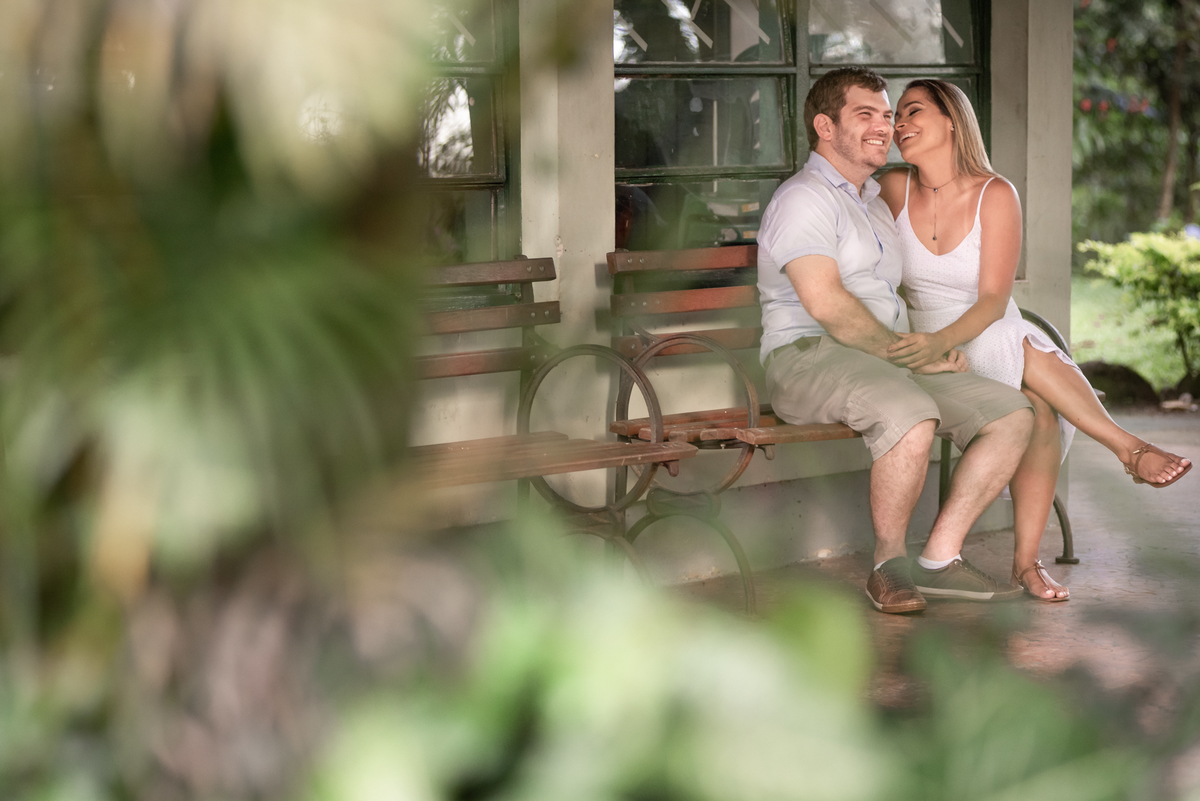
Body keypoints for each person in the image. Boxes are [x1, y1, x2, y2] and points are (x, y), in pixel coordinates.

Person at [878, 78, 1193, 602]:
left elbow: (992, 300)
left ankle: (1028, 562)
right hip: (930, 343)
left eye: (912, 112)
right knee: (1034, 380)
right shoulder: (892, 187)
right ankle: (1124, 447)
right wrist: (925, 345)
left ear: (952, 119)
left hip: (982, 327)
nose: (898, 126)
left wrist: (941, 342)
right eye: (896, 118)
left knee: (1036, 397)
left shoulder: (995, 194)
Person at [757, 66, 1034, 615]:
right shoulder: (803, 198)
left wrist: (926, 349)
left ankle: (939, 560)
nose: (886, 125)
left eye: (888, 115)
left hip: (884, 360)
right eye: (867, 114)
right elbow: (828, 306)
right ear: (825, 126)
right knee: (911, 411)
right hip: (807, 359)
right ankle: (889, 565)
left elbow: (902, 295)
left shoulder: (875, 203)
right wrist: (911, 355)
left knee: (1012, 413)